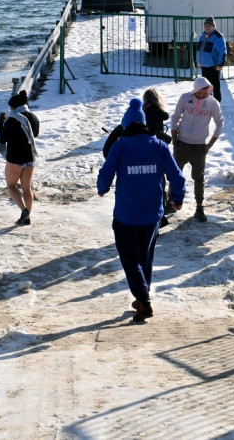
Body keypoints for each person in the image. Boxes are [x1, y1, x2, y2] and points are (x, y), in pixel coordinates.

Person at [98, 98, 186, 322]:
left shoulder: (120, 146)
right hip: (152, 215)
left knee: (130, 259)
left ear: (126, 126)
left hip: (126, 215)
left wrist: (102, 188)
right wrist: (177, 199)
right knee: (146, 257)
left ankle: (144, 301)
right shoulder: (159, 146)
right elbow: (177, 175)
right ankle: (142, 295)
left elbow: (105, 172)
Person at [169, 76, 224, 221]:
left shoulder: (213, 103)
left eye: (206, 91)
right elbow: (175, 118)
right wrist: (175, 141)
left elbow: (220, 123)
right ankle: (172, 202)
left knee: (198, 178)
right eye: (200, 92)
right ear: (195, 90)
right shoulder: (185, 98)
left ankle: (199, 208)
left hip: (200, 146)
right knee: (175, 174)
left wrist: (209, 145)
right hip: (181, 143)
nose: (203, 94)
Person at [0, 90, 39, 225]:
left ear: (14, 107)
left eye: (10, 107)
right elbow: (36, 134)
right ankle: (27, 217)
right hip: (30, 156)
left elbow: (3, 138)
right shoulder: (33, 117)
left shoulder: (13, 119)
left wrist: (1, 125)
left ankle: (23, 211)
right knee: (27, 188)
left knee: (11, 186)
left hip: (15, 158)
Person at [195, 16, 226, 102]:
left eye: (209, 26)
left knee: (215, 87)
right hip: (204, 65)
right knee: (205, 87)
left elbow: (222, 52)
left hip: (214, 66)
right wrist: (198, 61)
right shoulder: (203, 35)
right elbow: (199, 50)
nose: (207, 27)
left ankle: (217, 105)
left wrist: (220, 64)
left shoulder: (219, 37)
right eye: (205, 25)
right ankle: (207, 104)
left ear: (213, 26)